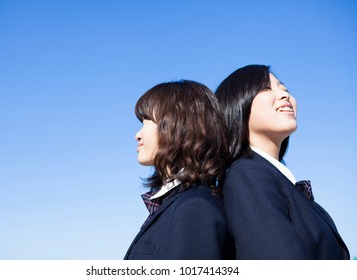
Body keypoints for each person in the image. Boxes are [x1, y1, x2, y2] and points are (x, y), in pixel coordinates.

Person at [215, 64, 350, 260]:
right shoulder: (247, 175)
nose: (285, 95)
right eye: (266, 88)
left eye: (285, 89)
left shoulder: (275, 179)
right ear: (236, 104)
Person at [124, 80, 234, 260]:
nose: (138, 134)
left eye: (147, 121)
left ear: (180, 126)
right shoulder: (176, 204)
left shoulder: (195, 208)